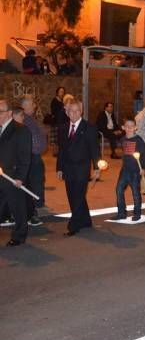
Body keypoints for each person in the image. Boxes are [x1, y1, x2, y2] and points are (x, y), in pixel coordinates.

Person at [57, 100, 100, 236]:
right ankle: (85, 220)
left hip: (82, 168)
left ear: (81, 112)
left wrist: (97, 168)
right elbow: (62, 150)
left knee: (79, 196)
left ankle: (73, 226)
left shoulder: (89, 127)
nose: (74, 113)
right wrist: (59, 168)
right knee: (72, 195)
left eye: (77, 111)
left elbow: (95, 150)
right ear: (67, 112)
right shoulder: (63, 128)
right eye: (71, 111)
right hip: (68, 168)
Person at [0, 97, 32, 246]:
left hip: (13, 176)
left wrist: (21, 177)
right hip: (1, 175)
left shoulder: (21, 130)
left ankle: (19, 236)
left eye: (0, 112)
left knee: (17, 207)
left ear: (9, 113)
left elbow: (25, 156)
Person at [20, 95, 47, 226]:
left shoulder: (30, 119)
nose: (35, 106)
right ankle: (33, 211)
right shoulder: (24, 120)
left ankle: (36, 207)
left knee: (37, 182)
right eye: (32, 105)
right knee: (32, 184)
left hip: (35, 157)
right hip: (31, 158)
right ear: (25, 107)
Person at [113, 118, 145, 221]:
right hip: (125, 170)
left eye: (131, 126)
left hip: (135, 171)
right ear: (123, 128)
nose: (129, 128)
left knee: (135, 192)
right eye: (127, 126)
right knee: (118, 189)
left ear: (135, 127)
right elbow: (124, 152)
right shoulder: (123, 139)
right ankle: (121, 212)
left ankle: (137, 213)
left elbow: (144, 155)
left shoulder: (138, 140)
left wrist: (143, 168)